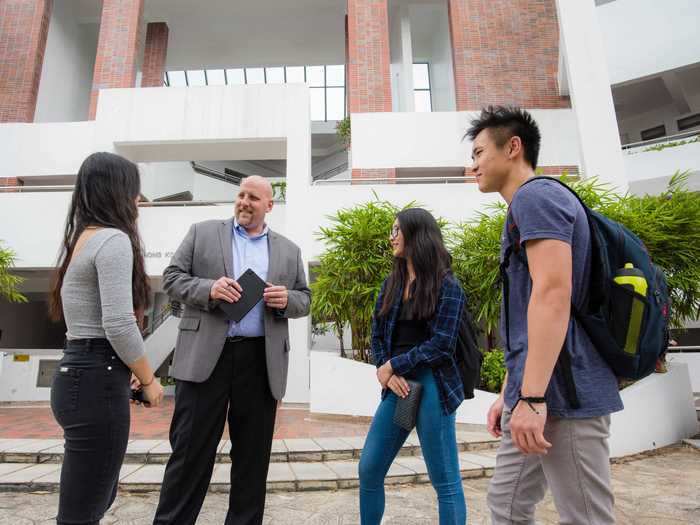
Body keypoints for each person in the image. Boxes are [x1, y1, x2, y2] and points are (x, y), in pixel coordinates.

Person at [467, 106, 623, 524]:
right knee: (507, 504)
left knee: (585, 516)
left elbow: (553, 293)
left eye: (480, 152)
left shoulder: (536, 197)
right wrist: (510, 391)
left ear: (513, 147)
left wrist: (532, 397)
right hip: (534, 394)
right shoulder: (526, 206)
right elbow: (524, 315)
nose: (474, 165)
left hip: (562, 395)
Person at [154, 175, 311, 525]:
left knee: (253, 461)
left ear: (269, 205)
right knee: (189, 453)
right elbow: (172, 278)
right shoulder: (202, 232)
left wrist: (287, 300)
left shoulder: (288, 249)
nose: (244, 202)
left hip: (260, 362)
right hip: (205, 358)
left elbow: (304, 299)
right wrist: (209, 289)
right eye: (240, 195)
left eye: (253, 198)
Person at [48, 151, 164, 525]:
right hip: (97, 380)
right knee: (85, 509)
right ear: (116, 192)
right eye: (134, 192)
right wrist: (148, 379)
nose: (138, 201)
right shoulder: (114, 239)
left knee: (86, 498)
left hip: (75, 375)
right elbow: (118, 323)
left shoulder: (81, 240)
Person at [359, 208, 467, 525]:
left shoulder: (448, 285)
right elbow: (377, 334)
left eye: (396, 230)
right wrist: (385, 367)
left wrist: (394, 364)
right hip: (398, 386)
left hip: (434, 383)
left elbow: (442, 343)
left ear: (416, 234)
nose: (391, 237)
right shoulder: (390, 284)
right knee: (369, 468)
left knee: (444, 480)